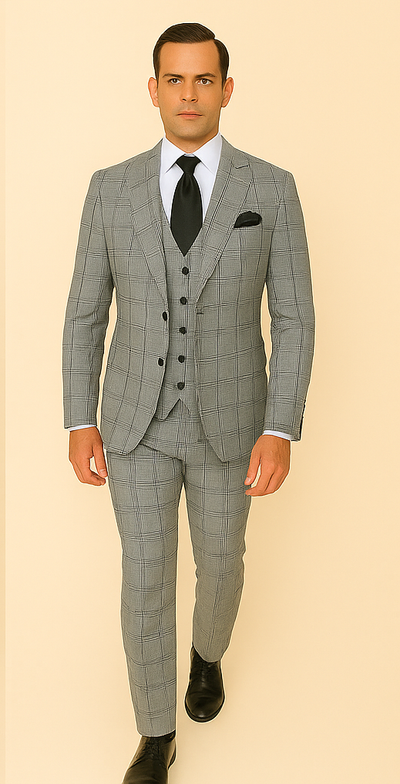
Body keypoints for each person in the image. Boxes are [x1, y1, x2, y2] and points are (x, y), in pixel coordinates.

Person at [62, 22, 315, 784]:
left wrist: (281, 426)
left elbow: (294, 317)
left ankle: (208, 655)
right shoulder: (109, 189)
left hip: (232, 423)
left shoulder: (271, 189)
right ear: (153, 90)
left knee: (221, 564)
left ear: (227, 89)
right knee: (145, 576)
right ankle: (156, 734)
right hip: (133, 421)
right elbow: (85, 313)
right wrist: (79, 418)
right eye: (175, 79)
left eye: (204, 79)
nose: (189, 94)